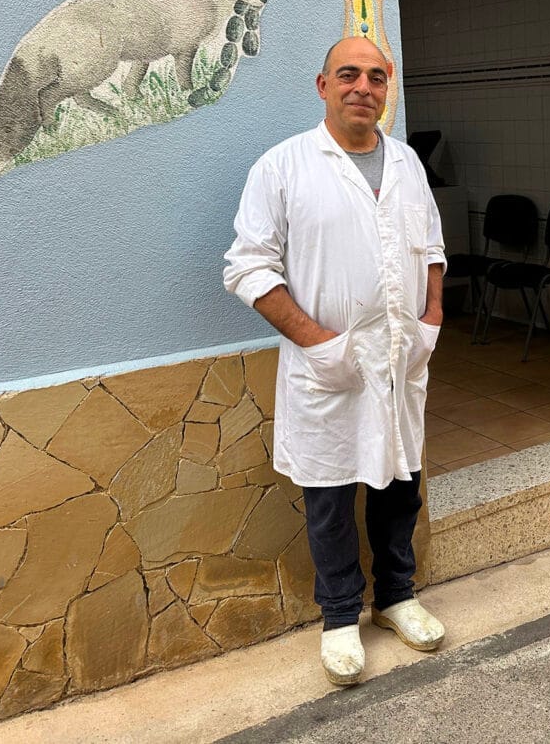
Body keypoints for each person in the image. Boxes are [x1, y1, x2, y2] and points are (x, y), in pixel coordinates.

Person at [223, 36, 446, 685]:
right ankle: (342, 616)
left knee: (400, 486)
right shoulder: (283, 167)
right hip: (328, 368)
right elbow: (246, 266)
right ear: (323, 86)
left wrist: (431, 316)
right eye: (348, 74)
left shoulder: (405, 162)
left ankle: (397, 597)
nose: (362, 86)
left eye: (376, 77)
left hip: (399, 366)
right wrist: (317, 340)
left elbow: (430, 247)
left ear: (387, 88)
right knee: (329, 502)